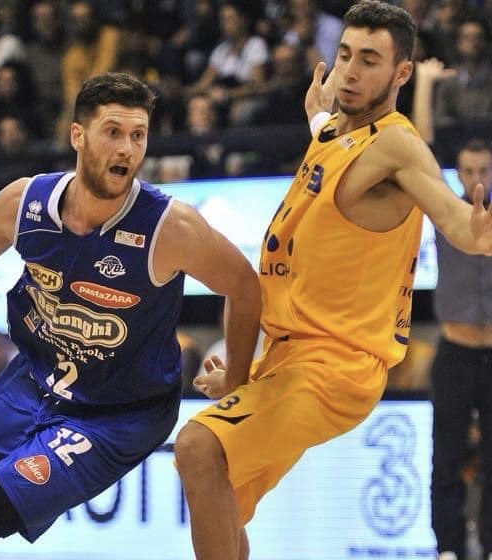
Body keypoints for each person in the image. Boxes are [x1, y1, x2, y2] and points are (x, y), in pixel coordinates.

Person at [0, 72, 260, 559]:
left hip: (120, 413)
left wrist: (237, 379)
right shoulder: (26, 202)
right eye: (113, 132)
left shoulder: (170, 227)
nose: (127, 149)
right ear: (77, 136)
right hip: (33, 380)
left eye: (138, 135)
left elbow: (244, 285)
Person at [173, 3, 492, 559]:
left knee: (197, 447)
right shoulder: (336, 133)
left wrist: (477, 230)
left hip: (334, 366)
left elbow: (455, 220)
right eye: (344, 55)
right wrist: (318, 116)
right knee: (221, 494)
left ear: (402, 73)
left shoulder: (397, 145)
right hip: (288, 355)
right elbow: (332, 143)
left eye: (369, 60)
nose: (349, 71)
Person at [413, 55, 492, 560]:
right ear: (458, 172)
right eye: (468, 170)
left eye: (484, 169)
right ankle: (447, 549)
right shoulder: (448, 213)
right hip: (455, 351)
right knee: (446, 456)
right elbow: (420, 153)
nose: (476, 178)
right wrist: (424, 83)